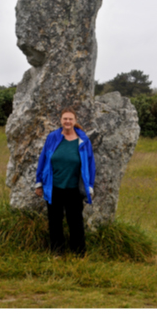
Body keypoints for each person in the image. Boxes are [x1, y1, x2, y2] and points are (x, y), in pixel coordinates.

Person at [35, 106, 95, 256]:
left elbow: (90, 163)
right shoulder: (52, 137)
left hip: (74, 188)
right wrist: (39, 182)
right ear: (61, 120)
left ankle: (79, 253)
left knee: (75, 222)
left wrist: (90, 186)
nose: (67, 121)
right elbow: (43, 160)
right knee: (54, 222)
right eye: (65, 119)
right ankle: (57, 253)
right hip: (53, 187)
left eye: (70, 119)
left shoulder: (83, 141)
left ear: (75, 121)